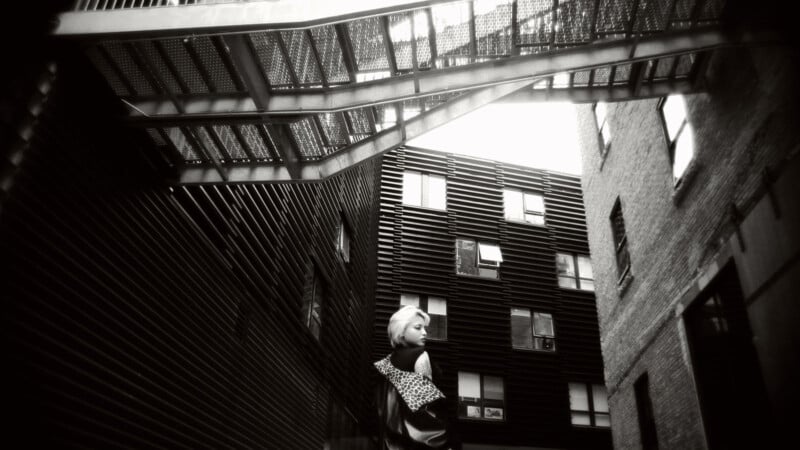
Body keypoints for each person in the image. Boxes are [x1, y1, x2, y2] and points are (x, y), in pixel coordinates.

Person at [374, 305, 457, 450]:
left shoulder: (384, 364)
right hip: (421, 439)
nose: (425, 333)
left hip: (390, 440)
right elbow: (429, 403)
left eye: (425, 328)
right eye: (418, 328)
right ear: (401, 331)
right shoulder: (420, 354)